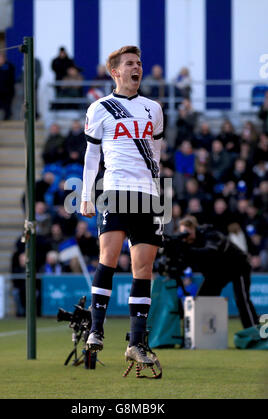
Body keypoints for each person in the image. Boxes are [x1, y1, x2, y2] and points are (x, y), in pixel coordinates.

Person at [80, 45, 164, 366]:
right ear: (115, 71)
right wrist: (87, 194)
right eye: (130, 63)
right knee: (109, 259)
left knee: (143, 269)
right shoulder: (100, 108)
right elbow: (91, 156)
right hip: (115, 191)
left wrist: (157, 192)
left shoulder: (153, 109)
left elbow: (156, 153)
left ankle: (137, 343)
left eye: (139, 63)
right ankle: (96, 330)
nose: (137, 67)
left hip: (147, 196)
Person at [177, 215, 258, 329]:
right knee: (202, 299)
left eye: (187, 232)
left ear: (194, 228)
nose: (185, 237)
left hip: (238, 265)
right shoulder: (188, 244)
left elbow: (210, 252)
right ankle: (200, 334)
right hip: (218, 271)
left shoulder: (210, 234)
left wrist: (187, 251)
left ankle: (254, 331)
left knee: (242, 299)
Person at [0, 52, 15, 120]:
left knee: (7, 106)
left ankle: (8, 117)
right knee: (1, 106)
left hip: (8, 90)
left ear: (3, 58)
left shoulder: (8, 66)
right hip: (0, 91)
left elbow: (9, 78)